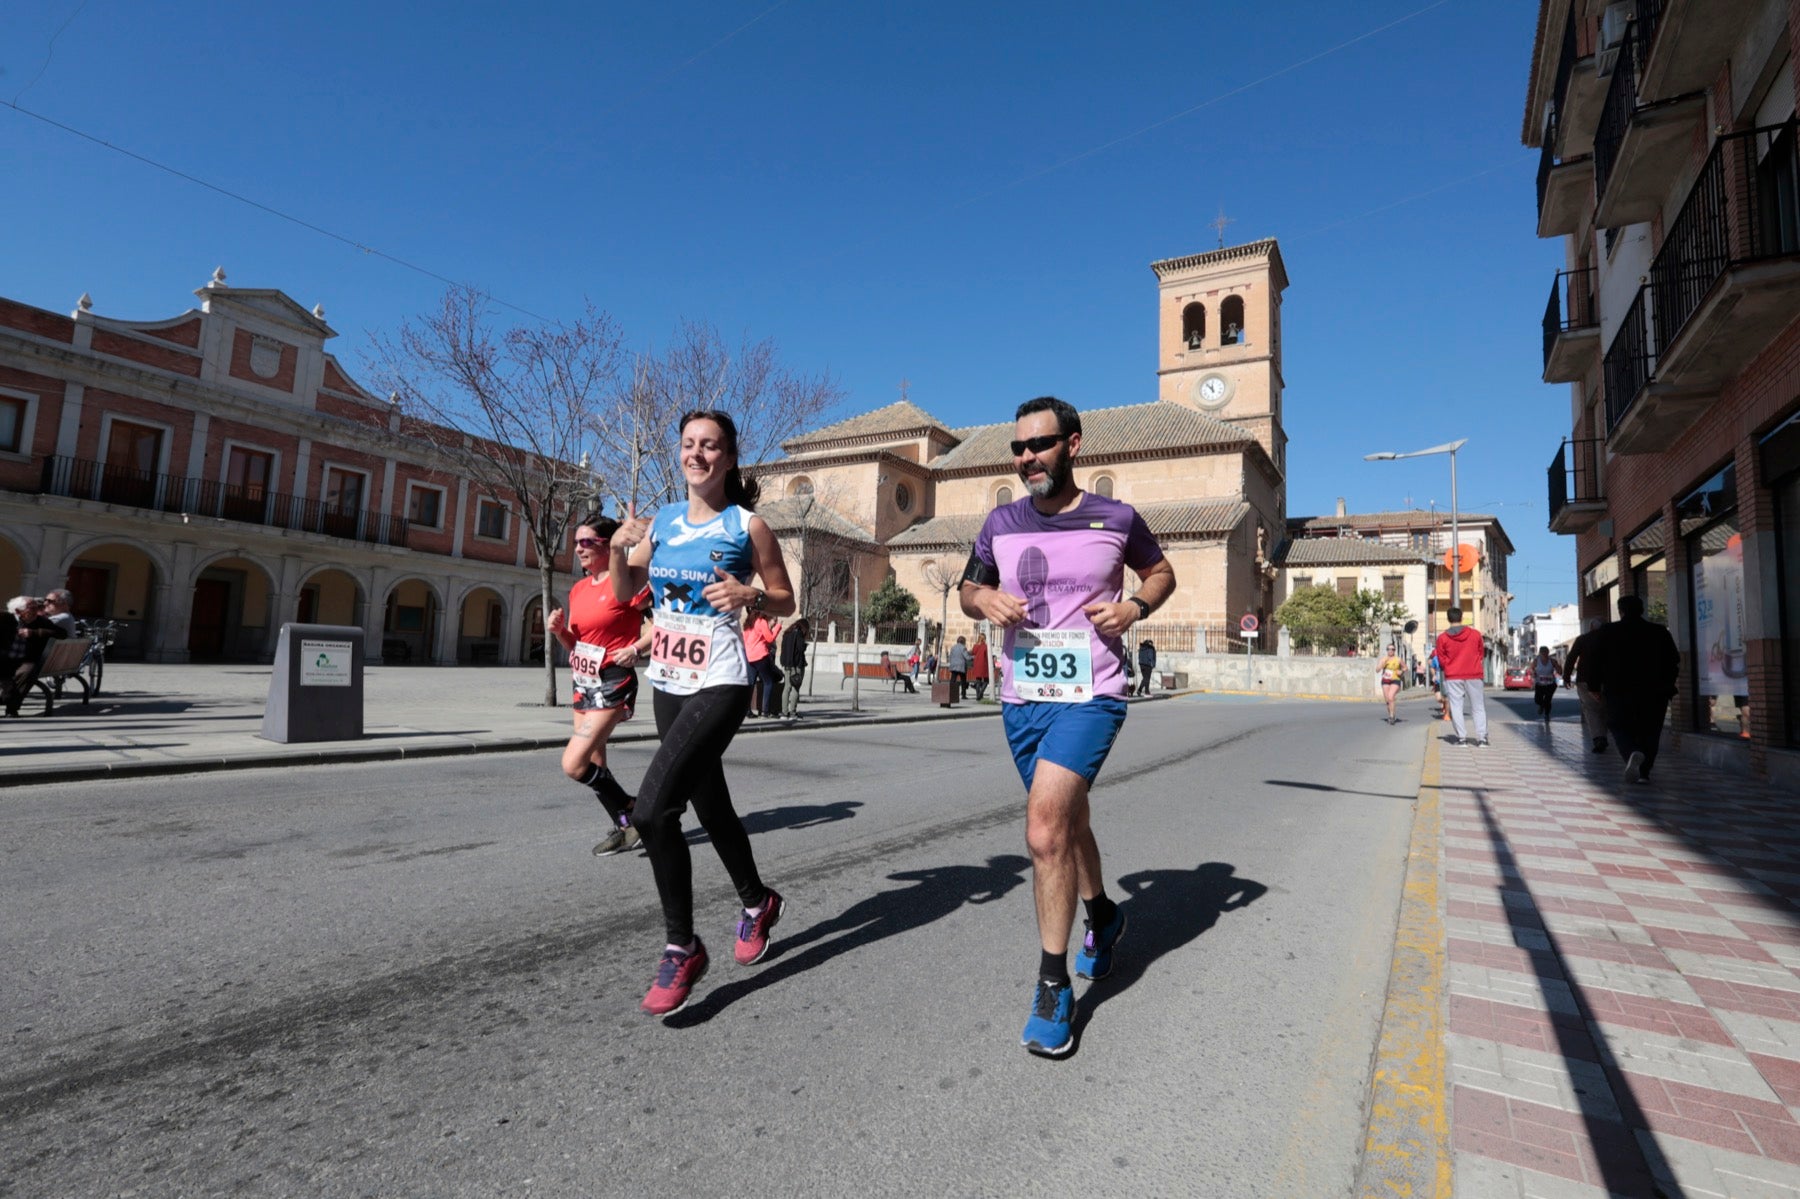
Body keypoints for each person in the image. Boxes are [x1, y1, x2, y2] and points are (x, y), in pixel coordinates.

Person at [959, 395, 1177, 1058]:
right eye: (1018, 448)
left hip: (1092, 693)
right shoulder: (1000, 521)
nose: (1027, 458)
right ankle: (1104, 915)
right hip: (1022, 698)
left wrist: (1135, 605)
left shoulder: (1116, 517)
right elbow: (969, 588)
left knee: (1045, 827)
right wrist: (983, 598)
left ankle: (1053, 984)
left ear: (1073, 444)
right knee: (1068, 822)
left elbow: (1162, 571)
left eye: (1040, 445)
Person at [609, 410, 796, 1017]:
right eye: (689, 445)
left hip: (719, 678)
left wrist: (752, 596)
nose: (697, 454)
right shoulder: (661, 521)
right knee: (710, 804)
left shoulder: (749, 525)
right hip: (668, 678)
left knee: (653, 808)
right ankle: (757, 901)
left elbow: (786, 597)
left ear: (730, 457)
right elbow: (621, 590)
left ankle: (681, 945)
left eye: (710, 446)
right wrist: (617, 549)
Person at [546, 517, 653, 858]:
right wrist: (561, 631)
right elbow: (577, 645)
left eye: (587, 542)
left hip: (613, 680)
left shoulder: (628, 583)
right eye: (576, 542)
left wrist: (636, 648)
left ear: (609, 545)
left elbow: (663, 625)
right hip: (583, 680)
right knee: (594, 762)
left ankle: (634, 811)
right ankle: (627, 826)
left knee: (574, 764)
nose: (578, 548)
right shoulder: (579, 589)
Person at [1583, 594, 1680, 784]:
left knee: (1619, 726)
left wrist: (1594, 686)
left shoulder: (1608, 631)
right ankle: (1644, 772)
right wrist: (1668, 685)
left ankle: (1631, 753)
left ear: (1621, 611)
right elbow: (1674, 661)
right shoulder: (1659, 631)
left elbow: (1594, 661)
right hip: (1655, 692)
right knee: (1651, 730)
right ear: (1642, 610)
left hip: (1619, 690)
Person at [3, 596, 70, 717]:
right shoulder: (6, 619)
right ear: (18, 611)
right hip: (5, 659)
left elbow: (62, 633)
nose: (36, 611)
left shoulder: (41, 621)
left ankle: (11, 707)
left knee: (27, 672)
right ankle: (8, 699)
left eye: (37, 607)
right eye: (31, 608)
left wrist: (35, 633)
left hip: (26, 660)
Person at [1434, 607, 1487, 746]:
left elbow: (1441, 658)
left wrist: (1450, 666)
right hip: (1474, 674)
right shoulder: (1475, 634)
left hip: (1453, 675)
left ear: (1448, 619)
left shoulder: (1442, 638)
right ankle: (1482, 739)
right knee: (1478, 706)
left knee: (1456, 706)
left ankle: (1462, 739)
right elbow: (1481, 653)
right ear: (1462, 617)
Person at [1563, 618, 1608, 753]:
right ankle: (1603, 736)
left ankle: (1599, 738)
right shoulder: (1611, 639)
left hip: (1585, 680)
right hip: (1607, 680)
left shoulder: (1583, 639)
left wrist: (1567, 677)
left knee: (1591, 709)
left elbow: (1571, 658)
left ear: (1591, 628)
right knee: (1604, 709)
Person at [744, 611, 781, 717]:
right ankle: (765, 711)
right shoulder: (761, 622)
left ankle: (747, 710)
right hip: (760, 656)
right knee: (768, 682)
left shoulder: (749, 623)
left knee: (751, 683)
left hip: (749, 657)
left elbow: (748, 639)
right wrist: (778, 627)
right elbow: (770, 638)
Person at [778, 616, 809, 720]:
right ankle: (792, 713)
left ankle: (784, 712)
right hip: (797, 665)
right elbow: (800, 648)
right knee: (795, 688)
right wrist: (805, 645)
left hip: (787, 665)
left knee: (786, 688)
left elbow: (783, 649)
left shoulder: (787, 633)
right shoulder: (799, 633)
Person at [1529, 645, 1563, 724]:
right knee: (1537, 700)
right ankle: (1541, 706)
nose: (1544, 655)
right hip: (1540, 684)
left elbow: (1560, 671)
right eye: (1543, 653)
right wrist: (1533, 673)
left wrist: (1559, 667)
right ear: (1540, 653)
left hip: (1550, 685)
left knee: (1548, 700)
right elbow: (1531, 668)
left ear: (1548, 653)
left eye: (1546, 653)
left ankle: (1547, 715)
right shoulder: (1536, 661)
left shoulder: (1552, 661)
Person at [1377, 644, 1405, 725]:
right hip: (1385, 680)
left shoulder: (1398, 659)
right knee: (1387, 700)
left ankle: (1392, 716)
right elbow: (1377, 670)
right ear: (1387, 650)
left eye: (1392, 649)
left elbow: (1405, 668)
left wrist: (1401, 671)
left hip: (1395, 679)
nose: (1390, 651)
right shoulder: (1384, 659)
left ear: (1394, 650)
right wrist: (1382, 665)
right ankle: (1391, 714)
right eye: (1389, 649)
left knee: (1391, 696)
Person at [970, 633, 990, 700]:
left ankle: (978, 695)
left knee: (978, 680)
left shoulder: (975, 646)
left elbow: (973, 652)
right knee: (986, 680)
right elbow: (987, 655)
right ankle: (981, 693)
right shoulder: (985, 646)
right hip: (984, 664)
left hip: (977, 664)